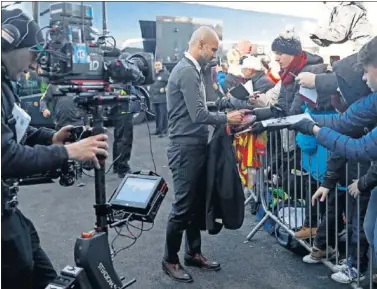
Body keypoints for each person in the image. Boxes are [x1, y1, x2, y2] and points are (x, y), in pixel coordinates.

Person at [1, 9, 109, 289]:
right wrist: (69, 152)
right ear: (8, 41)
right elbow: (6, 156)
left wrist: (51, 138)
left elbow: (14, 131)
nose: (35, 63)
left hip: (8, 211)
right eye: (33, 52)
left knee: (43, 273)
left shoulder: (5, 85)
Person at [162, 26, 245, 283]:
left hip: (193, 146)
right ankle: (170, 259)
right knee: (184, 206)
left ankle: (192, 253)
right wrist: (226, 117)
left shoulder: (192, 70)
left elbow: (198, 106)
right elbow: (198, 115)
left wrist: (224, 104)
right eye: (212, 49)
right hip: (185, 148)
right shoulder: (187, 71)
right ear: (200, 44)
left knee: (195, 203)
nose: (214, 55)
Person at [149, 60, 170, 137]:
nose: (157, 66)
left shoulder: (166, 74)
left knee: (163, 115)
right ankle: (158, 130)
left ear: (161, 65)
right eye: (156, 65)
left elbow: (170, 84)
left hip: (163, 99)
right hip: (155, 99)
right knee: (157, 115)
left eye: (158, 65)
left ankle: (164, 131)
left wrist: (165, 89)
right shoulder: (154, 74)